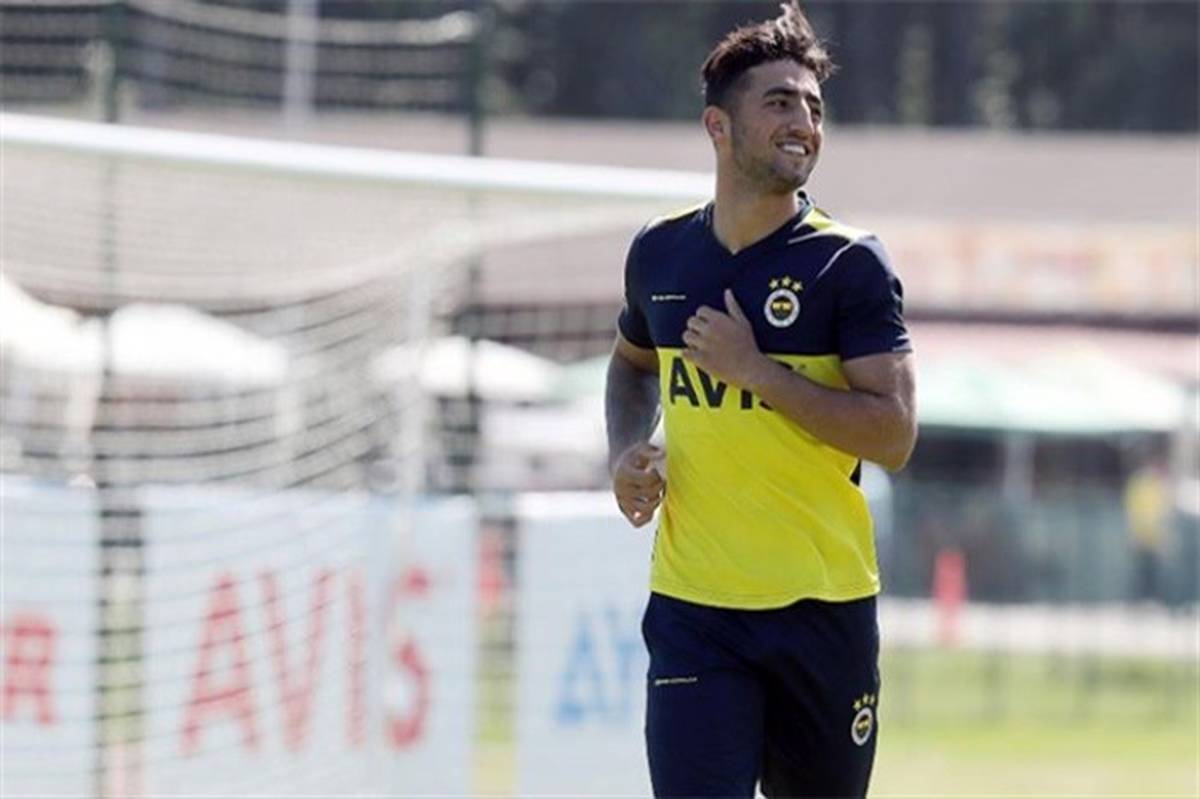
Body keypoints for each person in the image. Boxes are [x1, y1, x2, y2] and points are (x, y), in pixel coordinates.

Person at [604, 3, 917, 797]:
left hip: (824, 610)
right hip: (696, 610)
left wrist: (759, 373)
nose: (803, 123)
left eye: (814, 108)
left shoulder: (850, 264)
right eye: (780, 102)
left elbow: (893, 433)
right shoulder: (661, 252)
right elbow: (632, 365)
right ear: (719, 125)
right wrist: (625, 451)